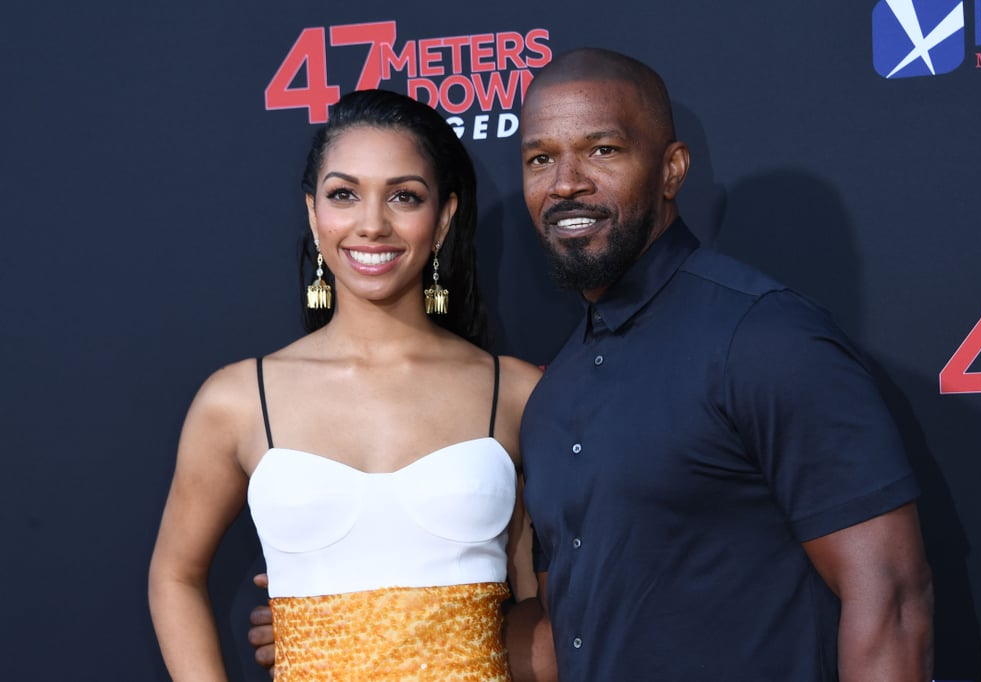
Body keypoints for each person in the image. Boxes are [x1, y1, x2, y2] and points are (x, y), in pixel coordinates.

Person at [250, 48, 934, 681]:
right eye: (541, 158)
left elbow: (892, 603)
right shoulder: (558, 387)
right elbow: (565, 629)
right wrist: (356, 629)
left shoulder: (763, 336)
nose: (567, 183)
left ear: (671, 170)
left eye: (602, 150)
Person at [148, 88, 543, 681]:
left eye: (404, 196)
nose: (372, 224)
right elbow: (173, 575)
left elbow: (549, 599)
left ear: (444, 218)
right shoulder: (236, 400)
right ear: (313, 214)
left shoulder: (514, 393)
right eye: (344, 194)